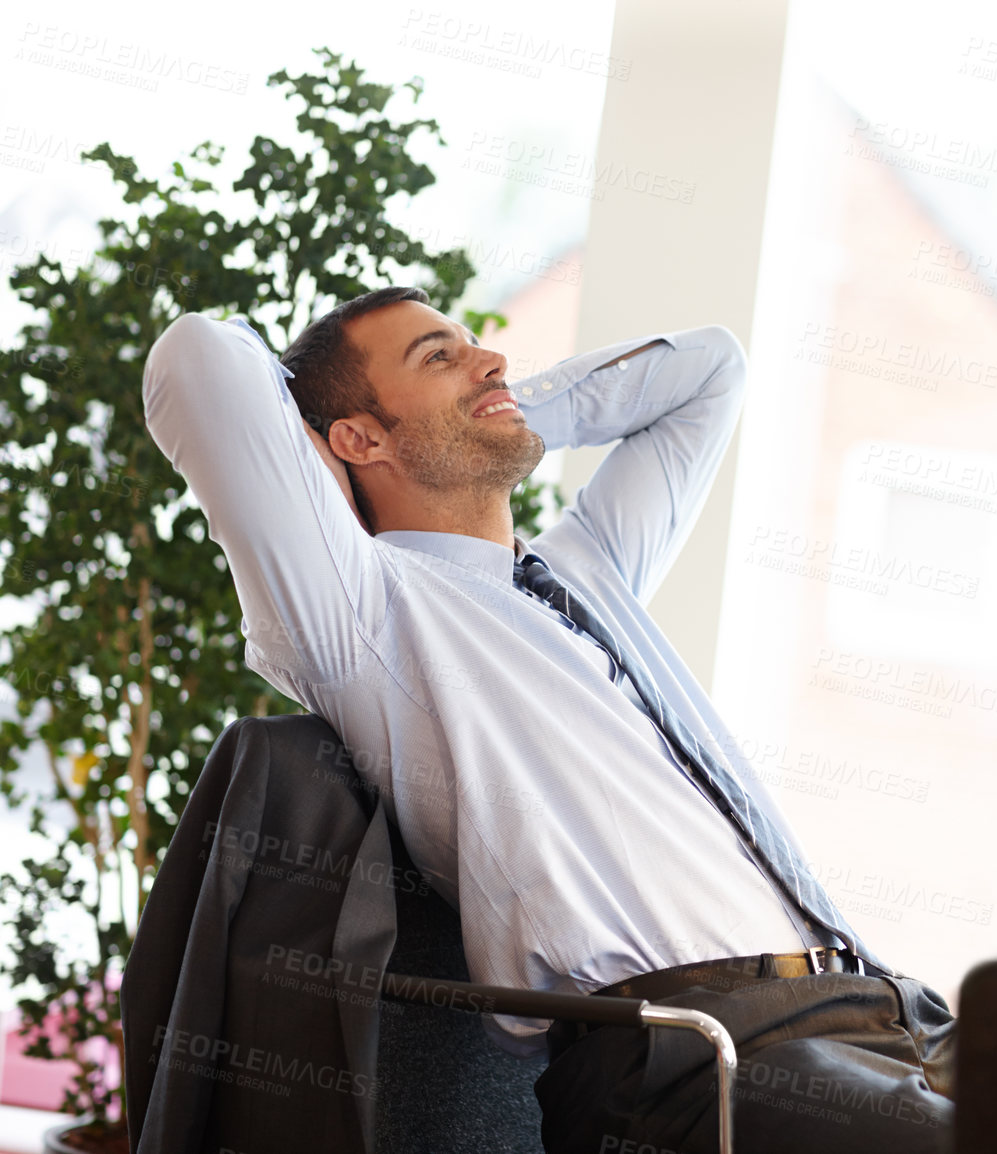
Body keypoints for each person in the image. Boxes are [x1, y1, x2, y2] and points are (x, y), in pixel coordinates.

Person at [142, 287, 956, 1153]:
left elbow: (709, 370)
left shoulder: (587, 576)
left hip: (882, 1007)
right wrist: (322, 465)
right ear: (359, 438)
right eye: (437, 357)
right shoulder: (364, 606)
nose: (493, 361)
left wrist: (497, 408)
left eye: (474, 348)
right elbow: (196, 359)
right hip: (700, 1053)